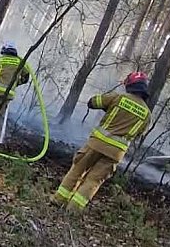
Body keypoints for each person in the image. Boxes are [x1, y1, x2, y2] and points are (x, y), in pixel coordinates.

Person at [51, 72, 151, 211]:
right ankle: (73, 210)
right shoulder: (147, 114)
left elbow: (93, 102)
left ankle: (58, 200)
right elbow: (139, 133)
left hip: (96, 144)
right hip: (115, 154)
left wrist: (108, 105)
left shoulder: (119, 97)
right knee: (93, 181)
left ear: (131, 84)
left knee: (77, 170)